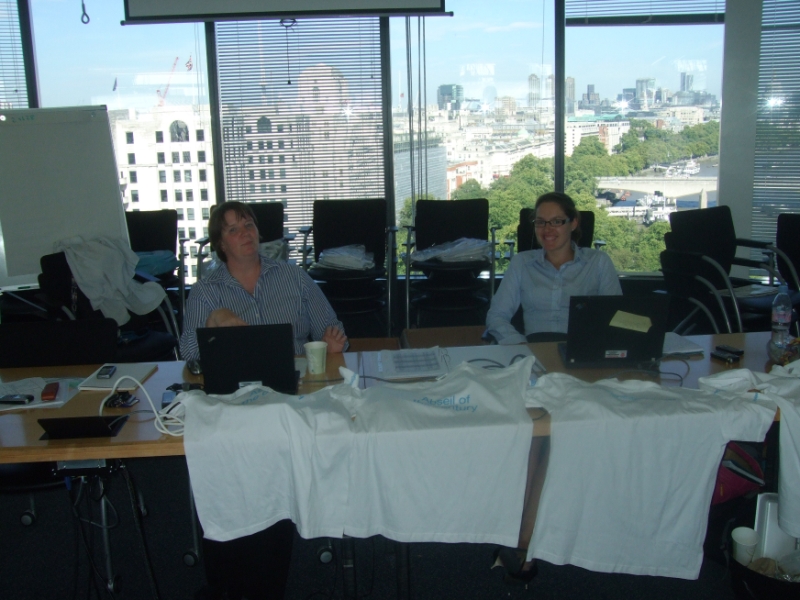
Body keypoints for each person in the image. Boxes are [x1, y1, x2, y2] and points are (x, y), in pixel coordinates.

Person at [179, 201, 347, 361]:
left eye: (249, 225)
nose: (245, 233)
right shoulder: (204, 291)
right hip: (237, 378)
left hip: (296, 376)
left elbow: (332, 330)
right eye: (233, 230)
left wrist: (330, 345)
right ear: (221, 244)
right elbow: (188, 353)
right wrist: (211, 323)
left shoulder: (295, 277)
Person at [485, 191, 621, 345]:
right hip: (533, 349)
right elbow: (496, 315)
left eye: (556, 221)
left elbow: (616, 316)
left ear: (573, 223)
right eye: (541, 222)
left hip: (580, 349)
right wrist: (519, 344)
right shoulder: (521, 263)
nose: (547, 229)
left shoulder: (598, 262)